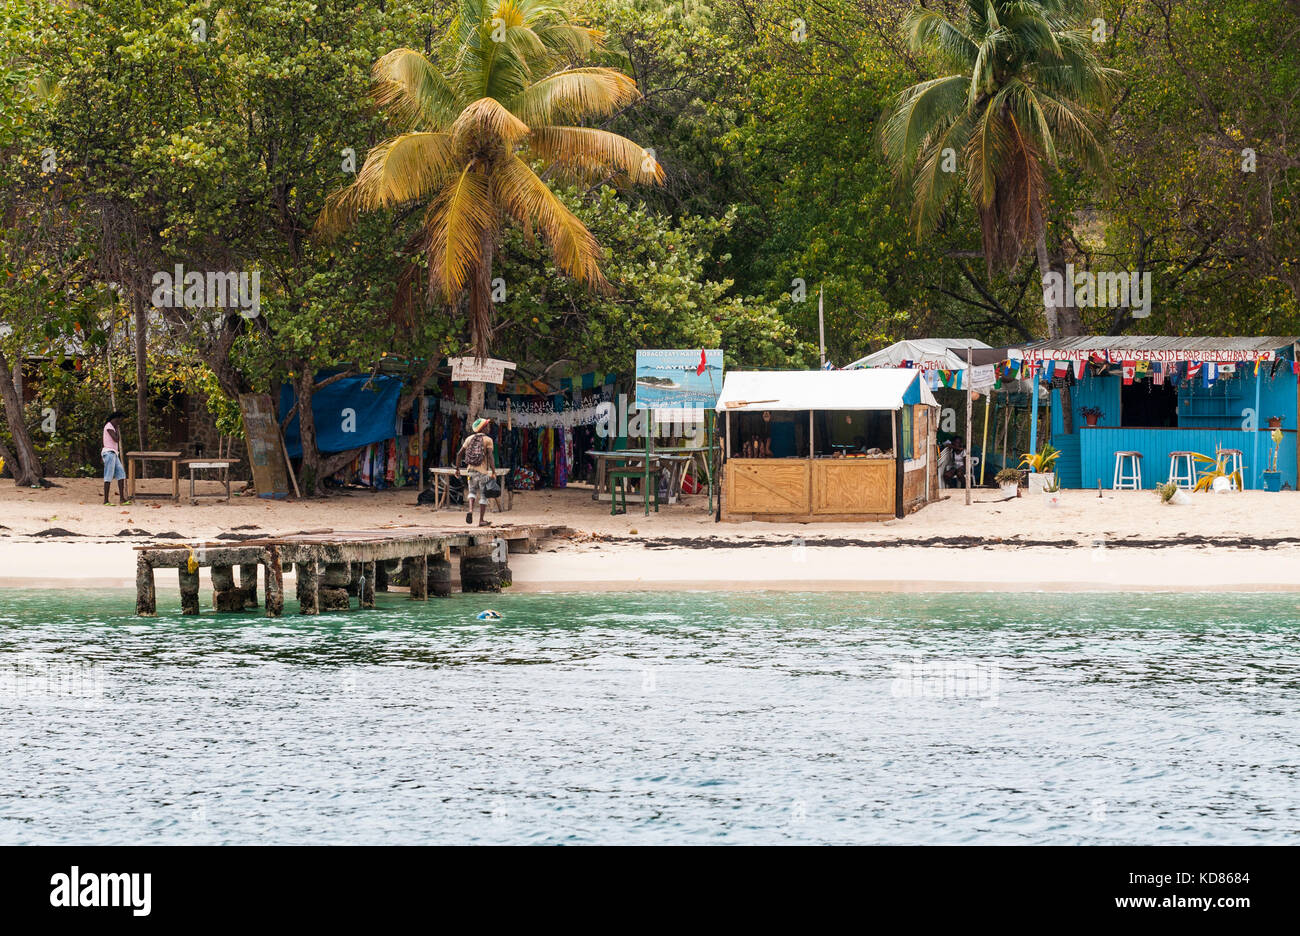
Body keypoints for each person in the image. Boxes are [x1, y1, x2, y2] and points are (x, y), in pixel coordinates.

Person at [455, 417, 496, 526]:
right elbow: (491, 456)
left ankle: (470, 510)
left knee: (471, 492)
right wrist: (493, 471)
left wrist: (457, 469)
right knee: (483, 495)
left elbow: (459, 454)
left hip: (470, 471)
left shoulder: (469, 439)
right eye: (487, 426)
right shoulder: (488, 440)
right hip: (482, 472)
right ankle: (481, 520)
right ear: (484, 428)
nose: (489, 427)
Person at [102, 411, 131, 506]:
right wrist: (117, 429)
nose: (120, 422)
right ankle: (106, 500)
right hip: (109, 453)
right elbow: (116, 439)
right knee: (108, 475)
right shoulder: (109, 426)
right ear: (116, 418)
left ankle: (122, 499)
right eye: (120, 420)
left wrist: (116, 428)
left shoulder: (113, 427)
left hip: (114, 453)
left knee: (121, 474)